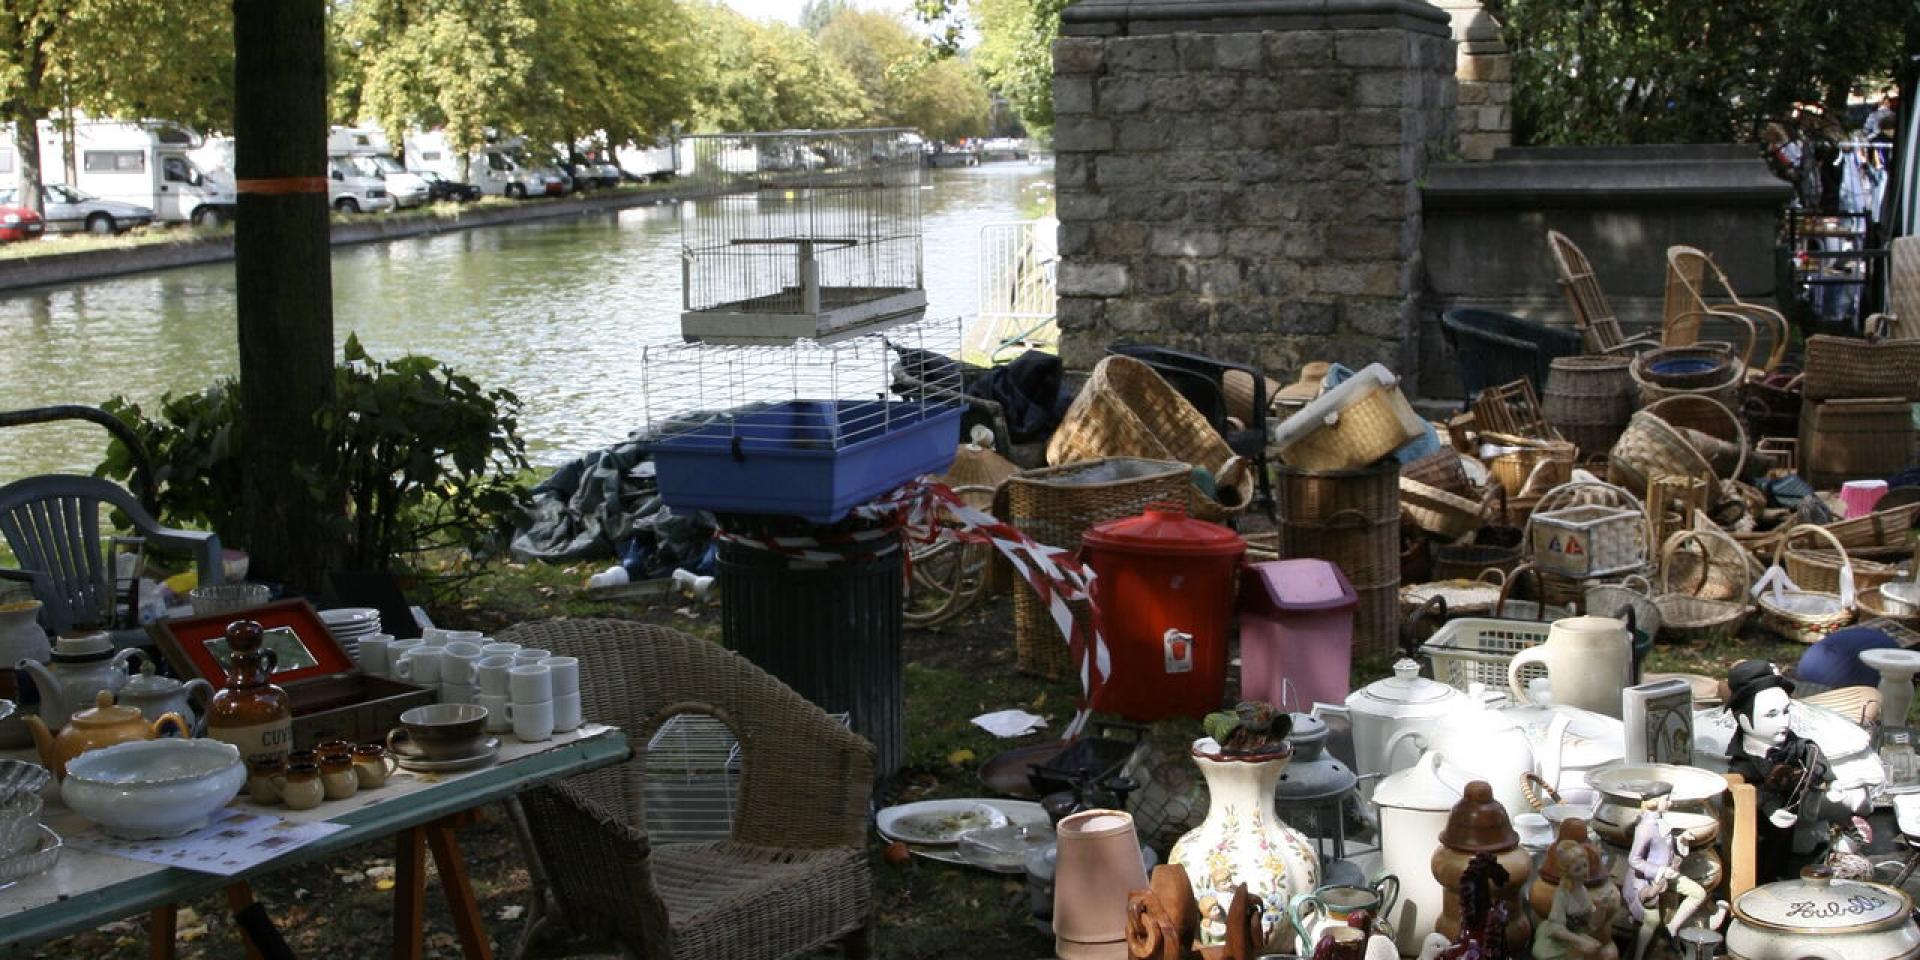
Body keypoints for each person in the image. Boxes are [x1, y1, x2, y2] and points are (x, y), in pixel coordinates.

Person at [1623, 783, 1709, 960]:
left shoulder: (1660, 822)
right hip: (1650, 881)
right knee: (1652, 921)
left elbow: (1664, 846)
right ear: (1654, 802)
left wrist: (1681, 840)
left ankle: (1672, 928)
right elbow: (1634, 860)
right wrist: (1658, 870)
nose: (1670, 803)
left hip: (1668, 874)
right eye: (1667, 799)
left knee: (1698, 893)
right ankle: (1638, 956)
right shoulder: (1645, 827)